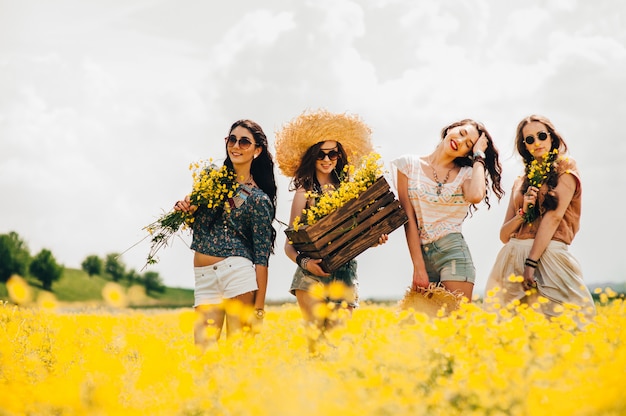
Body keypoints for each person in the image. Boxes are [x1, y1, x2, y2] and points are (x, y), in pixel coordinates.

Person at [275, 109, 387, 338]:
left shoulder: (350, 192)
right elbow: (289, 245)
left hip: (345, 274)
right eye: (320, 154)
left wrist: (375, 240)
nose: (327, 159)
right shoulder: (304, 192)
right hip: (310, 276)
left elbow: (355, 237)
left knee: (338, 346)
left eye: (332, 154)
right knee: (317, 344)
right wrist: (306, 264)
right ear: (312, 157)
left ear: (340, 156)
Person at [174, 119, 277, 348]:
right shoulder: (211, 179)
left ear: (257, 150)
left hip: (237, 273)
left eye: (244, 142)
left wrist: (258, 310)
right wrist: (185, 209)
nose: (236, 146)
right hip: (203, 277)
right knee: (203, 355)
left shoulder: (259, 200)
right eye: (232, 139)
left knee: (236, 355)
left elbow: (262, 258)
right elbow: (196, 219)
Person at [485, 114, 595, 326]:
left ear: (552, 138)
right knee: (509, 330)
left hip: (548, 255)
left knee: (577, 322)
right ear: (524, 146)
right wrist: (523, 212)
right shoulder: (520, 182)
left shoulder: (566, 168)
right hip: (512, 255)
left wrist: (531, 263)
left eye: (541, 136)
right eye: (529, 139)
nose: (536, 143)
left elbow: (553, 218)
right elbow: (504, 235)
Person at [392, 119, 504, 302]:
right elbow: (408, 219)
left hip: (453, 254)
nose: (460, 141)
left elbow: (476, 195)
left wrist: (479, 156)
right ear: (451, 128)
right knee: (423, 328)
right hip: (423, 256)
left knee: (455, 326)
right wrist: (418, 268)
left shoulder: (466, 174)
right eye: (461, 133)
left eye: (468, 144)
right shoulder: (408, 165)